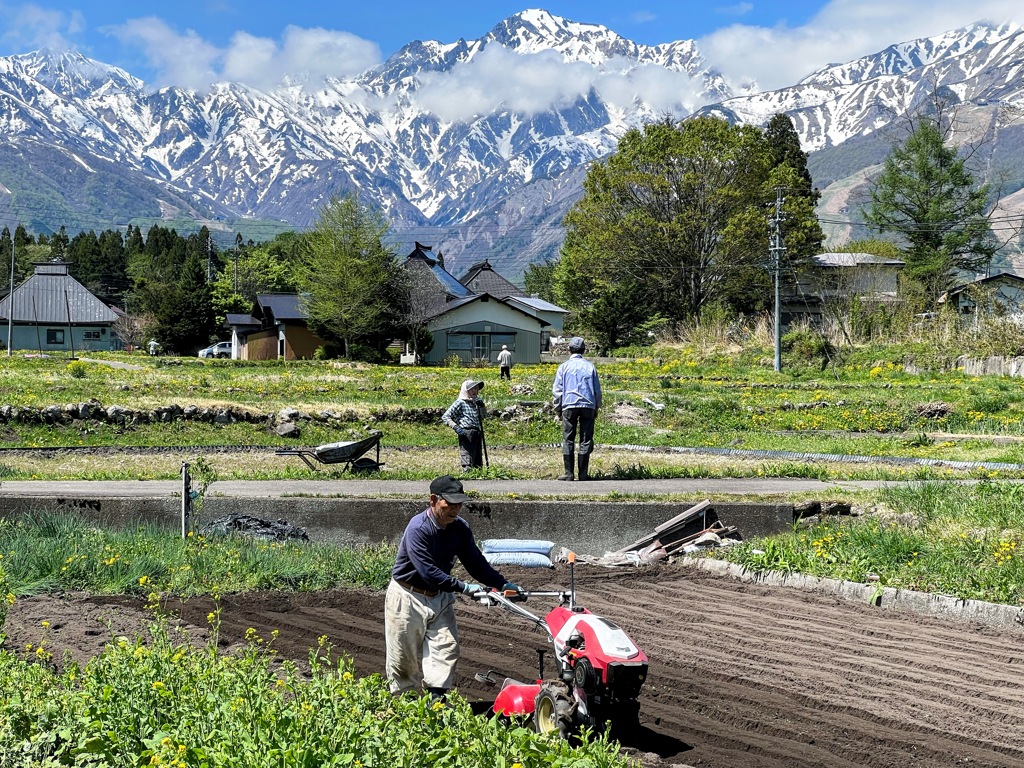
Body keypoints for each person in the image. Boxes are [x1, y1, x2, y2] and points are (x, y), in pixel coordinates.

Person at [384, 475, 522, 697]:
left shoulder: (460, 528)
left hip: (439, 597)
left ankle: (436, 703)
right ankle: (403, 705)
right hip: (407, 597)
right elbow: (428, 572)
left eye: (459, 504)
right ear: (433, 500)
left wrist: (502, 583)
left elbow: (475, 563)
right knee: (403, 658)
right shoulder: (418, 528)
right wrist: (465, 588)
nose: (455, 509)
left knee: (446, 648)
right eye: (450, 503)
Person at [551, 336, 602, 481]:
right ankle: (583, 473)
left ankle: (568, 473)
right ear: (584, 350)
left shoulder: (564, 367)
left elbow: (558, 390)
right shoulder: (590, 366)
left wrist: (558, 408)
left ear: (569, 350)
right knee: (586, 439)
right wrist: (597, 406)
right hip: (588, 405)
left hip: (569, 404)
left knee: (568, 438)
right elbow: (597, 390)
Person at [441, 379, 486, 470]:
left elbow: (483, 416)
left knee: (477, 455)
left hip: (477, 431)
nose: (475, 391)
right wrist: (456, 427)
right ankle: (467, 472)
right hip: (466, 431)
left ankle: (478, 473)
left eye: (476, 388)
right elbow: (446, 416)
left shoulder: (477, 402)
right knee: (467, 453)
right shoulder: (460, 402)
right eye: (472, 389)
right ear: (466, 390)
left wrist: (482, 407)